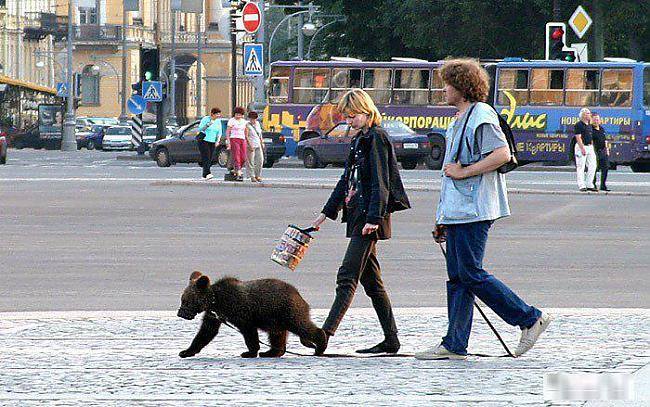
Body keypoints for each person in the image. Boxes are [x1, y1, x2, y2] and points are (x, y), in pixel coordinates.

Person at [415, 59, 551, 361]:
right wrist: (442, 217)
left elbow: (501, 154)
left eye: (448, 83)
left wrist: (465, 172)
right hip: (458, 210)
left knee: (470, 273)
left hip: (475, 208)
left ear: (462, 87)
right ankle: (454, 343)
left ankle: (529, 319)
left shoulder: (481, 115)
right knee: (458, 277)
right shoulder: (459, 118)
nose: (443, 89)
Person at [310, 89, 411, 355]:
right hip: (358, 216)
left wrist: (375, 219)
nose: (349, 120)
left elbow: (381, 183)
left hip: (369, 219)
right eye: (347, 116)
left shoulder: (377, 138)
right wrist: (324, 214)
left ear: (366, 111)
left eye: (352, 115)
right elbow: (345, 181)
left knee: (346, 276)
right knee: (373, 284)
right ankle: (391, 340)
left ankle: (325, 334)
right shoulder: (359, 139)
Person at [574, 108, 598, 192]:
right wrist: (582, 148)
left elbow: (590, 136)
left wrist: (591, 145)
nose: (590, 115)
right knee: (581, 166)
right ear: (583, 115)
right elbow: (578, 137)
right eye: (588, 113)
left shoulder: (589, 125)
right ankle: (581, 185)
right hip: (582, 147)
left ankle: (589, 184)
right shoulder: (578, 125)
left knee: (593, 165)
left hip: (589, 147)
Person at [197, 107, 222, 180]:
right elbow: (200, 129)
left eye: (219, 114)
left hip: (212, 141)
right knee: (206, 157)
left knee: (210, 158)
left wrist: (218, 140)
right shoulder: (205, 119)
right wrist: (208, 124)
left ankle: (204, 175)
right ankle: (208, 173)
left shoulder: (218, 121)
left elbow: (219, 132)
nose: (218, 115)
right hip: (204, 140)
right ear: (212, 114)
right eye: (217, 114)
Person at [226, 107, 248, 181]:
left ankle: (236, 169)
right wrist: (228, 141)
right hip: (234, 138)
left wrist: (247, 141)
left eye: (240, 114)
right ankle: (239, 172)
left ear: (242, 115)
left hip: (242, 139)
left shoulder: (244, 122)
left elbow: (246, 132)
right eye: (236, 114)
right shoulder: (231, 121)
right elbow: (228, 132)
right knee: (237, 155)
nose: (238, 116)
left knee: (244, 156)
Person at [591, 113, 610, 191]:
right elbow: (591, 141)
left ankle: (603, 185)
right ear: (591, 120)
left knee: (605, 168)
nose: (596, 121)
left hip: (603, 151)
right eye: (594, 119)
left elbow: (605, 140)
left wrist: (607, 150)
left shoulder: (602, 129)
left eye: (597, 119)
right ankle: (593, 184)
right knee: (594, 169)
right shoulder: (590, 130)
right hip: (595, 151)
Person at [245, 111, 265, 183]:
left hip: (258, 144)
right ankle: (252, 176)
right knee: (250, 161)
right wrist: (249, 145)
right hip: (251, 144)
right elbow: (246, 136)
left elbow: (260, 134)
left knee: (260, 160)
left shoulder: (258, 124)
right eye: (251, 119)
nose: (253, 120)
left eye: (254, 119)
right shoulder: (247, 125)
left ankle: (258, 175)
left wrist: (262, 142)